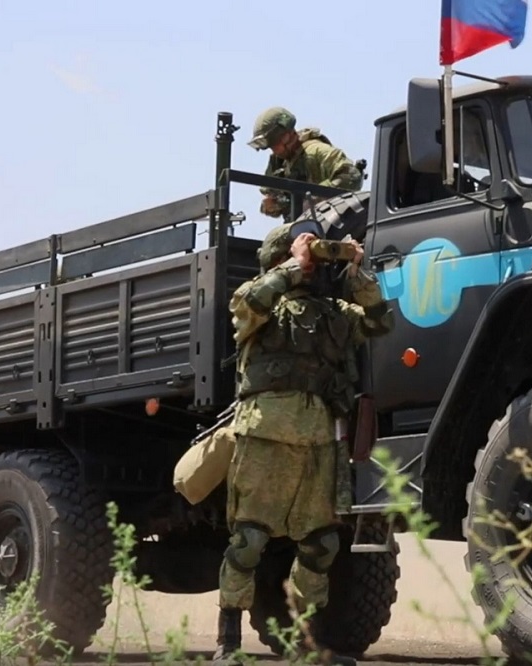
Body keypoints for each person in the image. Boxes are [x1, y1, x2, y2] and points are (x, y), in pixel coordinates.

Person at [212, 222, 394, 665]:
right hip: (266, 436)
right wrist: (295, 265)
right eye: (301, 254)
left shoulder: (335, 314)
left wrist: (357, 275)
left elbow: (381, 321)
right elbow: (249, 305)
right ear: (280, 258)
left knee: (321, 545)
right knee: (249, 539)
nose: (313, 265)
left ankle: (306, 644)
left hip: (319, 441)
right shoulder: (257, 299)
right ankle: (228, 642)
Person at [248, 106, 364, 221]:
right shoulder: (278, 161)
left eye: (274, 145)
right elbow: (269, 199)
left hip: (327, 221)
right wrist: (275, 204)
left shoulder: (316, 151)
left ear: (285, 137)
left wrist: (313, 199)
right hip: (300, 225)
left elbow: (352, 177)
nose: (273, 151)